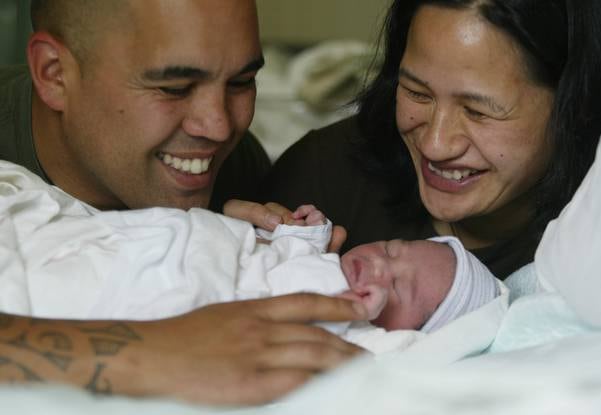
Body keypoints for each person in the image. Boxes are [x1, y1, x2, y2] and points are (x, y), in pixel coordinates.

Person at [0, 0, 363, 406]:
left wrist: (226, 242)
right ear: (55, 74)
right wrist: (145, 353)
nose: (219, 125)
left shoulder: (235, 164)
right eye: (174, 89)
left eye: (242, 82)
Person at [257, 0, 601, 279]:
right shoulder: (323, 177)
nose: (434, 144)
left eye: (478, 111)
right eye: (417, 93)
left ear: (575, 105)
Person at [0, 169, 498, 354]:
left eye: (403, 291)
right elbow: (289, 243)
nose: (384, 269)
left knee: (74, 288)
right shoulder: (327, 258)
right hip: (188, 240)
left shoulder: (352, 324)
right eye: (392, 250)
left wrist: (357, 313)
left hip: (187, 296)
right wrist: (306, 226)